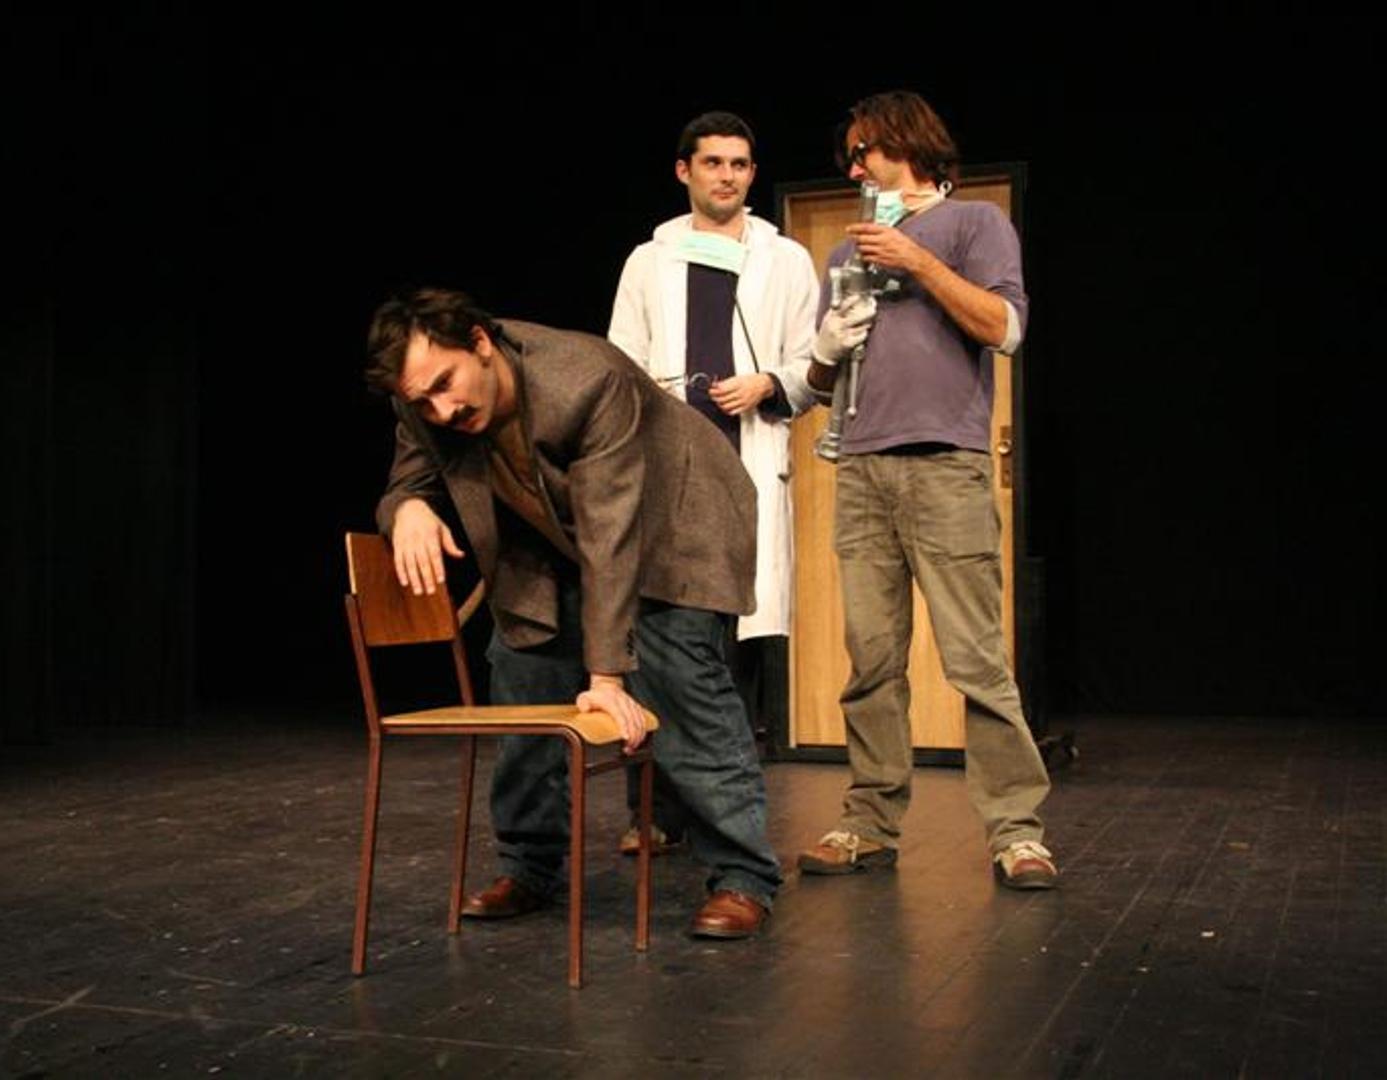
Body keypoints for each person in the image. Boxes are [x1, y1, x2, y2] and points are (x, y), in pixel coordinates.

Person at [368, 287, 783, 937]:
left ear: (480, 342)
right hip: (549, 535)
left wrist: (606, 678)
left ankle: (742, 876)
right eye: (423, 401)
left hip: (677, 519)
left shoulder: (586, 380)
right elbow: (405, 483)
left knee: (681, 680)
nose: (441, 410)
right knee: (521, 668)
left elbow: (611, 533)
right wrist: (407, 509)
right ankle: (529, 865)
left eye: (446, 384)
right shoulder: (422, 398)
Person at [800, 91, 1056, 889]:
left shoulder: (975, 224)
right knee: (870, 662)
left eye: (862, 151)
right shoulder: (844, 255)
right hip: (861, 469)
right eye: (848, 157)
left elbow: (1004, 329)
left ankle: (1016, 832)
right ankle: (868, 823)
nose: (853, 169)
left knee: (975, 661)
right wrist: (824, 349)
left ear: (904, 142)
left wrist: (917, 262)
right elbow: (819, 382)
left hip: (945, 466)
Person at [607, 112, 818, 854]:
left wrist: (769, 382)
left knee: (730, 651)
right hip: (667, 476)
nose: (726, 176)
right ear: (684, 171)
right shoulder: (649, 260)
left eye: (739, 164)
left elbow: (815, 363)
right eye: (712, 163)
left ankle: (726, 818)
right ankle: (653, 812)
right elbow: (618, 362)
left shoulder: (785, 260)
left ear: (752, 174)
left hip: (744, 466)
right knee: (659, 642)